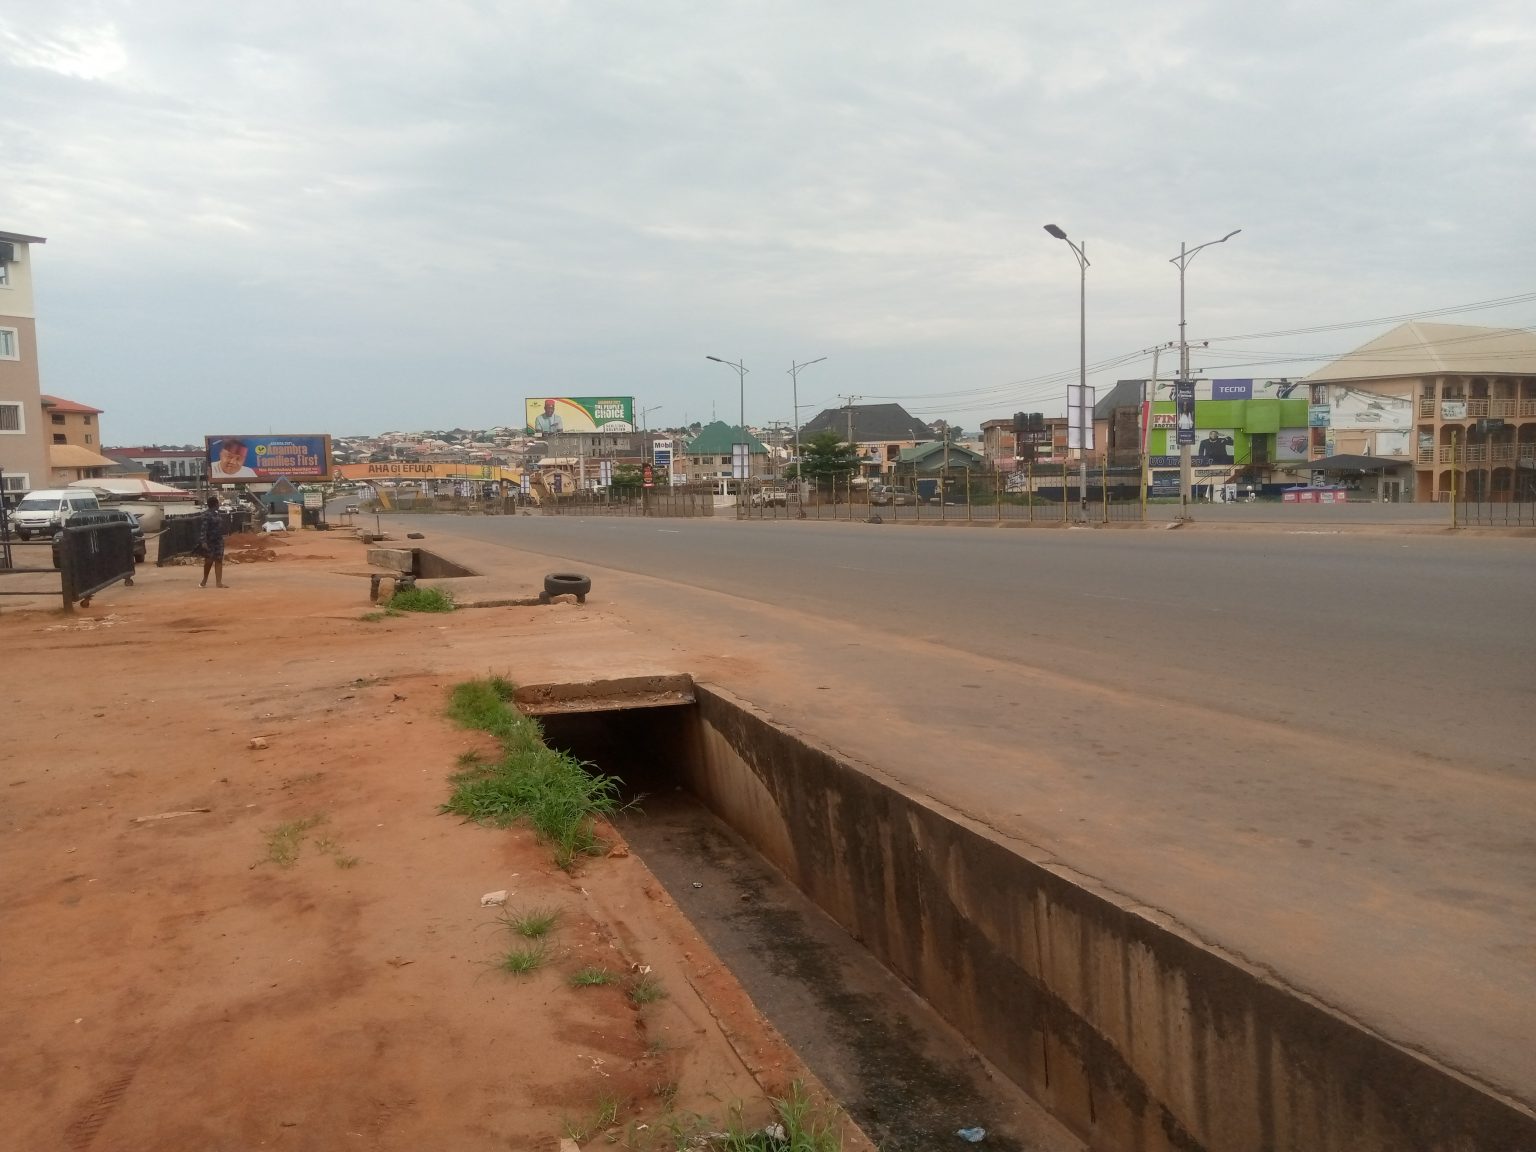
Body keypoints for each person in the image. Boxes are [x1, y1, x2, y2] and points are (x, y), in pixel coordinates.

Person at [200, 495, 228, 588]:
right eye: (218, 503)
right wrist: (203, 541)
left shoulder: (217, 514)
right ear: (215, 504)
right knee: (209, 561)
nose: (219, 505)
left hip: (218, 540)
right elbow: (203, 529)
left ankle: (219, 582)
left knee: (219, 560)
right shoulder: (206, 515)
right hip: (209, 541)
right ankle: (204, 580)